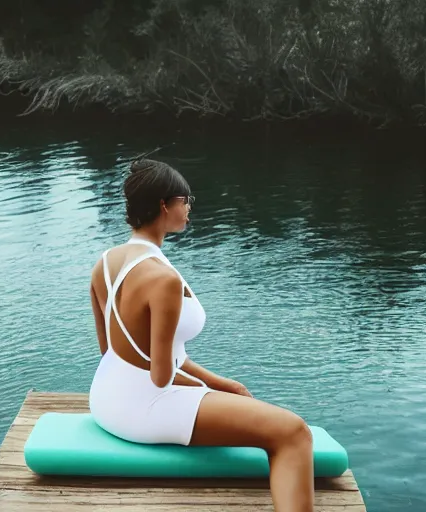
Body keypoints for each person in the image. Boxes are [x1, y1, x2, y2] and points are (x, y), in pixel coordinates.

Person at [89, 158, 314, 512]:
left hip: (105, 397)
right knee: (293, 433)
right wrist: (205, 392)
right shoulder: (163, 280)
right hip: (143, 407)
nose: (190, 206)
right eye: (185, 199)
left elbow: (115, 353)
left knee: (249, 405)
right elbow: (160, 377)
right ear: (164, 205)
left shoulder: (104, 262)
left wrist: (226, 385)